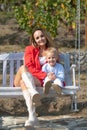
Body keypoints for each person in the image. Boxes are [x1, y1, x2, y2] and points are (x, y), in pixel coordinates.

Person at [14, 28, 57, 127]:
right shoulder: (30, 49)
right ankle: (33, 92)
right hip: (27, 76)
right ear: (34, 40)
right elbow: (29, 68)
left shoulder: (52, 51)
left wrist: (51, 75)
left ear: (45, 36)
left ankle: (32, 117)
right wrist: (45, 74)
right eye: (37, 38)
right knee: (23, 67)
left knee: (23, 82)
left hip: (37, 80)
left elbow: (56, 66)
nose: (40, 39)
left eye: (42, 36)